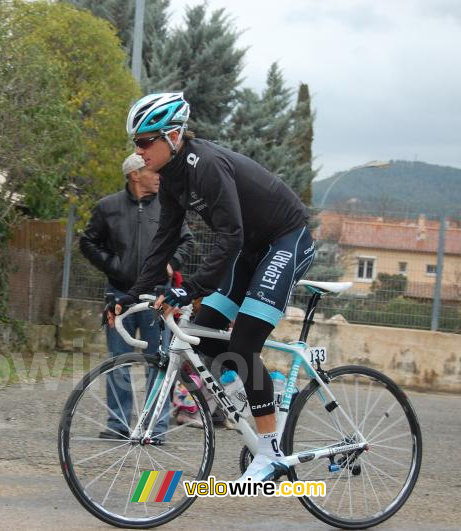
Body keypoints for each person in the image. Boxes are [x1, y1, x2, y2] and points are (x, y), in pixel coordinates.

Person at [114, 92, 314, 481]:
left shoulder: (205, 164)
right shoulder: (172, 177)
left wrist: (190, 288)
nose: (139, 153)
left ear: (172, 135)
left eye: (143, 142)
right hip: (252, 247)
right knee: (204, 335)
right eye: (135, 144)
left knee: (243, 345)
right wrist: (133, 291)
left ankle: (271, 452)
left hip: (285, 239)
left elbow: (231, 236)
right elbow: (165, 238)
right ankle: (254, 396)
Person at [80, 153, 193, 443]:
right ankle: (118, 425)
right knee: (119, 361)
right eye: (152, 171)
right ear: (134, 174)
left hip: (158, 297)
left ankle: (154, 430)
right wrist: (115, 266)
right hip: (120, 295)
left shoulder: (170, 204)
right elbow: (88, 241)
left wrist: (171, 264)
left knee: (159, 362)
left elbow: (187, 240)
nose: (159, 176)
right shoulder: (108, 207)